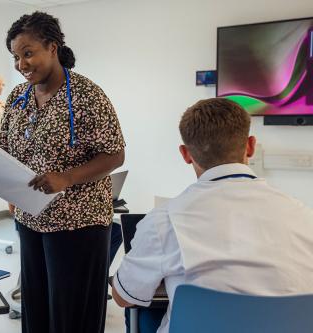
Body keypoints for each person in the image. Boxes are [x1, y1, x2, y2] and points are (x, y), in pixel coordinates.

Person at [0, 11, 126, 333]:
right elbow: (3, 147)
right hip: (31, 218)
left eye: (28, 53)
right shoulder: (19, 96)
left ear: (52, 48)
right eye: (16, 57)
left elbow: (114, 154)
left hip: (78, 223)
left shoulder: (86, 95)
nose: (21, 64)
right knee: (37, 308)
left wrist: (66, 177)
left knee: (71, 314)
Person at [112, 98, 313, 333]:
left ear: (186, 154)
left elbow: (123, 296)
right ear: (250, 146)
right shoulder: (302, 214)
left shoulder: (164, 220)